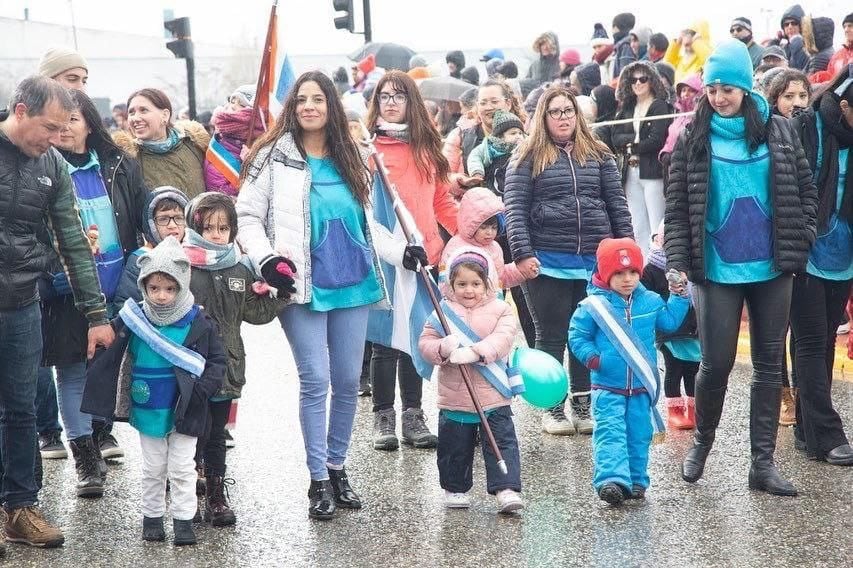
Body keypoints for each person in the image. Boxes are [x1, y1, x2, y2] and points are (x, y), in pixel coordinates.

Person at [236, 71, 420, 520]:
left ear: (331, 106)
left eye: (318, 99)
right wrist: (265, 261)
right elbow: (245, 216)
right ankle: (317, 477)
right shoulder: (271, 155)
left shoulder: (352, 155)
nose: (309, 107)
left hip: (353, 282)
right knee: (315, 380)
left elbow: (367, 226)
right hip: (298, 284)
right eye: (301, 100)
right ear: (292, 107)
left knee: (343, 383)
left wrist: (403, 251)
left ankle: (338, 468)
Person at [665, 40, 817, 496]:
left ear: (745, 87)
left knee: (771, 365)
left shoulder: (779, 130)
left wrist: (803, 232)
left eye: (726, 88)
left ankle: (763, 463)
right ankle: (702, 445)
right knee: (716, 363)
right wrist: (677, 259)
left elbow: (805, 186)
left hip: (773, 265)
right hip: (716, 269)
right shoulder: (692, 134)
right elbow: (677, 208)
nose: (717, 97)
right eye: (710, 88)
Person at [0, 75, 114, 548]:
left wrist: (96, 315)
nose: (54, 138)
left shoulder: (52, 166)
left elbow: (72, 240)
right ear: (20, 110)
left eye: (62, 128)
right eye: (47, 127)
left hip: (23, 303)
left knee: (22, 408)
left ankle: (21, 507)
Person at [504, 85, 633, 436]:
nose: (563, 118)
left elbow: (617, 205)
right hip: (545, 261)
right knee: (551, 334)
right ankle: (552, 408)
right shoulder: (525, 156)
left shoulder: (600, 154)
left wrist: (626, 256)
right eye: (555, 112)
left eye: (568, 111)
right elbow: (514, 211)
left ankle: (582, 403)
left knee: (585, 334)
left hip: (592, 262)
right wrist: (523, 254)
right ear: (542, 118)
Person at [42, 89, 150, 496]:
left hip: (116, 284)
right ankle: (86, 459)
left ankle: (104, 435)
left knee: (105, 369)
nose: (65, 128)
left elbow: (142, 216)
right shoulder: (43, 167)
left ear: (89, 123)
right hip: (66, 287)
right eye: (57, 121)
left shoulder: (118, 164)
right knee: (71, 370)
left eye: (73, 119)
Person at [82, 237, 225, 546]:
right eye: (154, 288)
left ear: (183, 284)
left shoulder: (198, 321)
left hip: (187, 406)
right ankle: (152, 517)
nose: (161, 296)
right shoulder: (133, 319)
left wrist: (202, 391)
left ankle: (184, 520)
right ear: (144, 286)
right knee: (153, 467)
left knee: (183, 467)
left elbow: (217, 362)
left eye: (170, 288)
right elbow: (108, 345)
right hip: (148, 406)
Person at [364, 70, 457, 451]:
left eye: (398, 96)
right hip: (386, 257)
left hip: (424, 257)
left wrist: (472, 229)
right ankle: (384, 416)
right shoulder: (368, 150)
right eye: (384, 95)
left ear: (411, 103)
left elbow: (441, 202)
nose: (390, 101)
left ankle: (414, 415)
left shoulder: (427, 148)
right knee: (386, 340)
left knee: (419, 334)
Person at [182, 193, 288, 524]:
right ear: (194, 227)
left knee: (216, 434)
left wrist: (280, 294)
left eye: (223, 228)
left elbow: (254, 313)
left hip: (227, 367)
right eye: (208, 227)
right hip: (189, 367)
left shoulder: (239, 267)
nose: (216, 234)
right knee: (190, 432)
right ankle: (189, 490)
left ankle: (216, 492)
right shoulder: (181, 264)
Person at [569, 237, 689, 505]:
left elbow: (670, 323)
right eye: (619, 273)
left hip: (640, 387)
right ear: (604, 274)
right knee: (611, 432)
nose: (628, 279)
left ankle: (636, 481)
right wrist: (594, 360)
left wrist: (680, 295)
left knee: (639, 433)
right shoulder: (593, 306)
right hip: (607, 385)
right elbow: (577, 336)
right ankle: (611, 481)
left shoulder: (651, 300)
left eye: (633, 272)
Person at [418, 250, 523, 513]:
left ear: (487, 282)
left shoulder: (501, 309)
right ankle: (455, 487)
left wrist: (476, 351)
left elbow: (504, 339)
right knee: (454, 446)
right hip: (455, 395)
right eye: (461, 284)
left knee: (501, 442)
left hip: (494, 393)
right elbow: (425, 344)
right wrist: (442, 347)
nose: (469, 290)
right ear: (451, 284)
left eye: (476, 283)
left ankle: (505, 487)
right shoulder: (442, 312)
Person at [787, 69, 853, 466]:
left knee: (822, 339)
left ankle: (805, 428)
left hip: (843, 255)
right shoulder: (807, 127)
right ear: (844, 105)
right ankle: (827, 434)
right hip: (806, 250)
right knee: (811, 341)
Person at [598, 62, 672, 258]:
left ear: (652, 81)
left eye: (643, 79)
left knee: (657, 222)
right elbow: (615, 137)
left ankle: (660, 266)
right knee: (637, 223)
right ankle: (644, 268)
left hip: (652, 170)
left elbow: (656, 140)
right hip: (630, 171)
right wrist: (636, 142)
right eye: (633, 80)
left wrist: (630, 145)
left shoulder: (660, 106)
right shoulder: (627, 108)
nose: (638, 83)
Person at [641, 223, 699, 430]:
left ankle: (694, 409)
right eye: (663, 237)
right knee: (674, 370)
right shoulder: (650, 270)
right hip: (668, 332)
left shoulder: (692, 266)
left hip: (693, 330)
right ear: (657, 239)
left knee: (693, 370)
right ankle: (674, 411)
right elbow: (645, 297)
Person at [115, 88, 210, 199]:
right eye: (131, 112)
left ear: (165, 115)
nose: (135, 118)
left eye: (143, 110)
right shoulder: (127, 160)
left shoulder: (194, 144)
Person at [443, 80, 526, 196]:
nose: (489, 107)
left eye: (494, 102)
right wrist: (460, 182)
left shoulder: (523, 134)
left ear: (508, 104)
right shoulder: (459, 136)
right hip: (475, 206)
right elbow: (442, 177)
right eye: (483, 103)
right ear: (477, 106)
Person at [114, 186, 190, 310]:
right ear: (151, 224)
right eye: (163, 219)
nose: (172, 225)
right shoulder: (141, 259)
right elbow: (125, 307)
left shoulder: (195, 255)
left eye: (178, 218)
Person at [439, 187, 526, 295]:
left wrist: (520, 271)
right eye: (483, 228)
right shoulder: (456, 247)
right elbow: (445, 281)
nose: (489, 232)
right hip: (464, 306)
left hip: (492, 304)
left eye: (494, 227)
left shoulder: (495, 247)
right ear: (472, 224)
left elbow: (500, 277)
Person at [204, 85, 264, 197]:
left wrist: (251, 164)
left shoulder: (263, 143)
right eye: (232, 101)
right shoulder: (218, 136)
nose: (234, 106)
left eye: (241, 104)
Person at [466, 109, 525, 195]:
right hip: (493, 186)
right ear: (500, 136)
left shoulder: (525, 147)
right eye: (513, 133)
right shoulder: (489, 147)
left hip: (518, 186)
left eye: (520, 133)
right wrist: (477, 172)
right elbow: (475, 157)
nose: (518, 136)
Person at [659, 74, 702, 188]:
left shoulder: (700, 117)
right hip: (673, 169)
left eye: (691, 90)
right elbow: (669, 141)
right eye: (683, 90)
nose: (686, 94)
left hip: (692, 169)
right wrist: (664, 154)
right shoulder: (678, 117)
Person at [779, 5, 810, 71]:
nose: (790, 27)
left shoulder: (808, 47)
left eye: (794, 23)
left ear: (801, 26)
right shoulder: (783, 47)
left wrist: (797, 41)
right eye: (786, 24)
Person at [825, 13, 853, 80]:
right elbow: (830, 75)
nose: (846, 30)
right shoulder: (838, 54)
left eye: (850, 26)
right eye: (844, 27)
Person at [610, 12, 637, 80]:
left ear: (617, 27)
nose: (612, 30)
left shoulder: (624, 45)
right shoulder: (626, 43)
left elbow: (625, 75)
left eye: (613, 26)